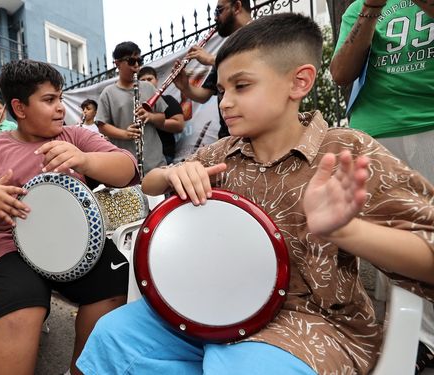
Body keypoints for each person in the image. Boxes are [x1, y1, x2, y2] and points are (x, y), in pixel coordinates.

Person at [77, 13, 434, 375]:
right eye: (221, 91)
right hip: (212, 306)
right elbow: (151, 183)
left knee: (232, 365)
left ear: (299, 82)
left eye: (242, 86)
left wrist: (346, 231)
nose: (225, 103)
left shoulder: (347, 152)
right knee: (112, 334)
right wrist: (174, 172)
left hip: (313, 325)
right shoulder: (220, 154)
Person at [0, 59, 138, 375]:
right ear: (19, 107)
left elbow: (128, 167)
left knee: (114, 282)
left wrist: (86, 160)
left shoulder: (73, 137)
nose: (60, 108)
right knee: (22, 305)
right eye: (49, 100)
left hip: (76, 243)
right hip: (9, 248)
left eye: (60, 98)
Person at [330, 0, 434, 370]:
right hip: (376, 132)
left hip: (429, 121)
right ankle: (415, 338)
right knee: (390, 239)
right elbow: (341, 73)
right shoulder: (360, 6)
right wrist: (371, 10)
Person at [173, 0, 252, 140]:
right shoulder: (226, 47)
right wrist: (185, 86)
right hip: (229, 137)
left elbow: (256, 66)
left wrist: (212, 60)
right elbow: (204, 95)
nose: (215, 17)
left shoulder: (263, 36)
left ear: (237, 7)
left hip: (255, 133)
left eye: (219, 11)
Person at [95, 41, 167, 176]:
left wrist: (150, 117)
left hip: (155, 162)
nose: (136, 66)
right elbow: (102, 125)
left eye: (139, 61)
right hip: (125, 165)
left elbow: (163, 118)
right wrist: (125, 134)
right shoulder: (108, 93)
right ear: (117, 64)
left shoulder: (148, 87)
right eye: (131, 61)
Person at [138, 66, 185, 164]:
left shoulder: (167, 99)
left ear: (157, 81)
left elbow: (179, 125)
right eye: (142, 80)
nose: (146, 82)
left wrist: (152, 119)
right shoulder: (135, 104)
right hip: (141, 156)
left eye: (149, 79)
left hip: (163, 155)